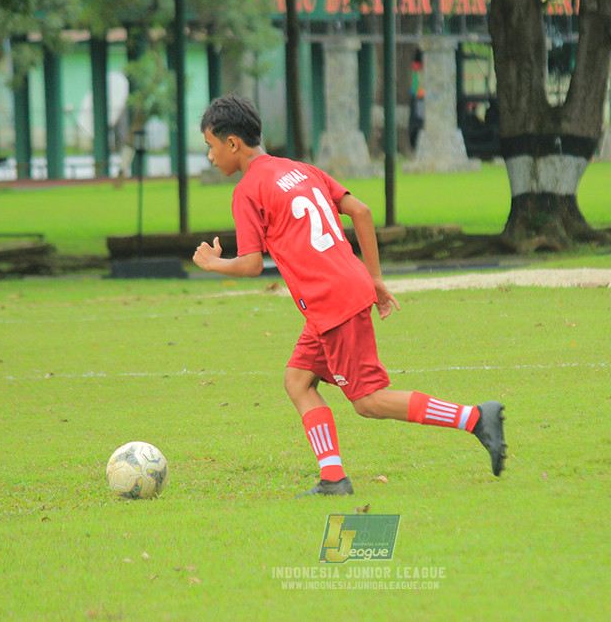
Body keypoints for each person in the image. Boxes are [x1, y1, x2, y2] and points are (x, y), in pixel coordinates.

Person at [193, 94, 506, 496]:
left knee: (369, 400)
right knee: (298, 380)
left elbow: (252, 264)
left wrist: (212, 263)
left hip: (331, 301)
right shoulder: (301, 169)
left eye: (210, 146)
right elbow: (361, 211)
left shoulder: (248, 190)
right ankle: (333, 478)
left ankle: (475, 418)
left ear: (232, 143)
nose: (210, 156)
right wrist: (373, 278)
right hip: (341, 292)